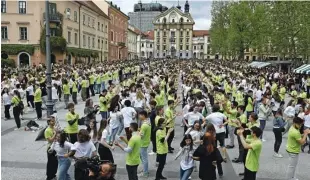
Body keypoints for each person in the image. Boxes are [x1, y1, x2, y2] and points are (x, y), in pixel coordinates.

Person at [44, 116, 58, 180]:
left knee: (55, 163)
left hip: (56, 147)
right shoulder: (47, 130)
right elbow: (50, 140)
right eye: (52, 121)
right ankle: (49, 176)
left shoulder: (54, 128)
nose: (54, 122)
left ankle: (53, 174)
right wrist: (55, 134)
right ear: (49, 122)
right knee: (50, 163)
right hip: (50, 149)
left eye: (54, 121)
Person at [139, 110, 151, 177]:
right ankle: (144, 169)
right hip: (146, 141)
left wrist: (137, 133)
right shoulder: (148, 122)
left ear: (143, 115)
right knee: (143, 157)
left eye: (140, 115)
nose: (139, 116)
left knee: (144, 158)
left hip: (143, 143)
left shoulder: (144, 125)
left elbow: (141, 135)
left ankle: (145, 173)